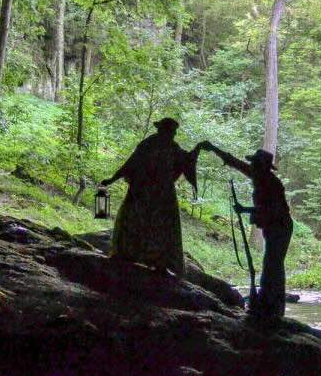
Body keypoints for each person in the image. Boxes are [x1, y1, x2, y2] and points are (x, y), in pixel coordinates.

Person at [200, 143, 293, 320]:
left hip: (281, 227)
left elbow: (274, 210)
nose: (252, 166)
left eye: (256, 163)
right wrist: (213, 148)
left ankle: (271, 306)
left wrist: (245, 210)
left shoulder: (272, 183)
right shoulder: (259, 176)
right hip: (272, 227)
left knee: (273, 265)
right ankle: (268, 304)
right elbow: (233, 162)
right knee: (272, 265)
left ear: (262, 166)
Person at [100, 118, 200, 275]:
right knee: (143, 223)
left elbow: (186, 161)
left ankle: (157, 261)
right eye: (171, 132)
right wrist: (112, 179)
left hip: (154, 193)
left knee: (156, 226)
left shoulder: (170, 147)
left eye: (173, 133)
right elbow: (131, 163)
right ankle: (134, 255)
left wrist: (198, 148)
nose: (173, 135)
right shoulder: (151, 145)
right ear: (163, 130)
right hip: (149, 192)